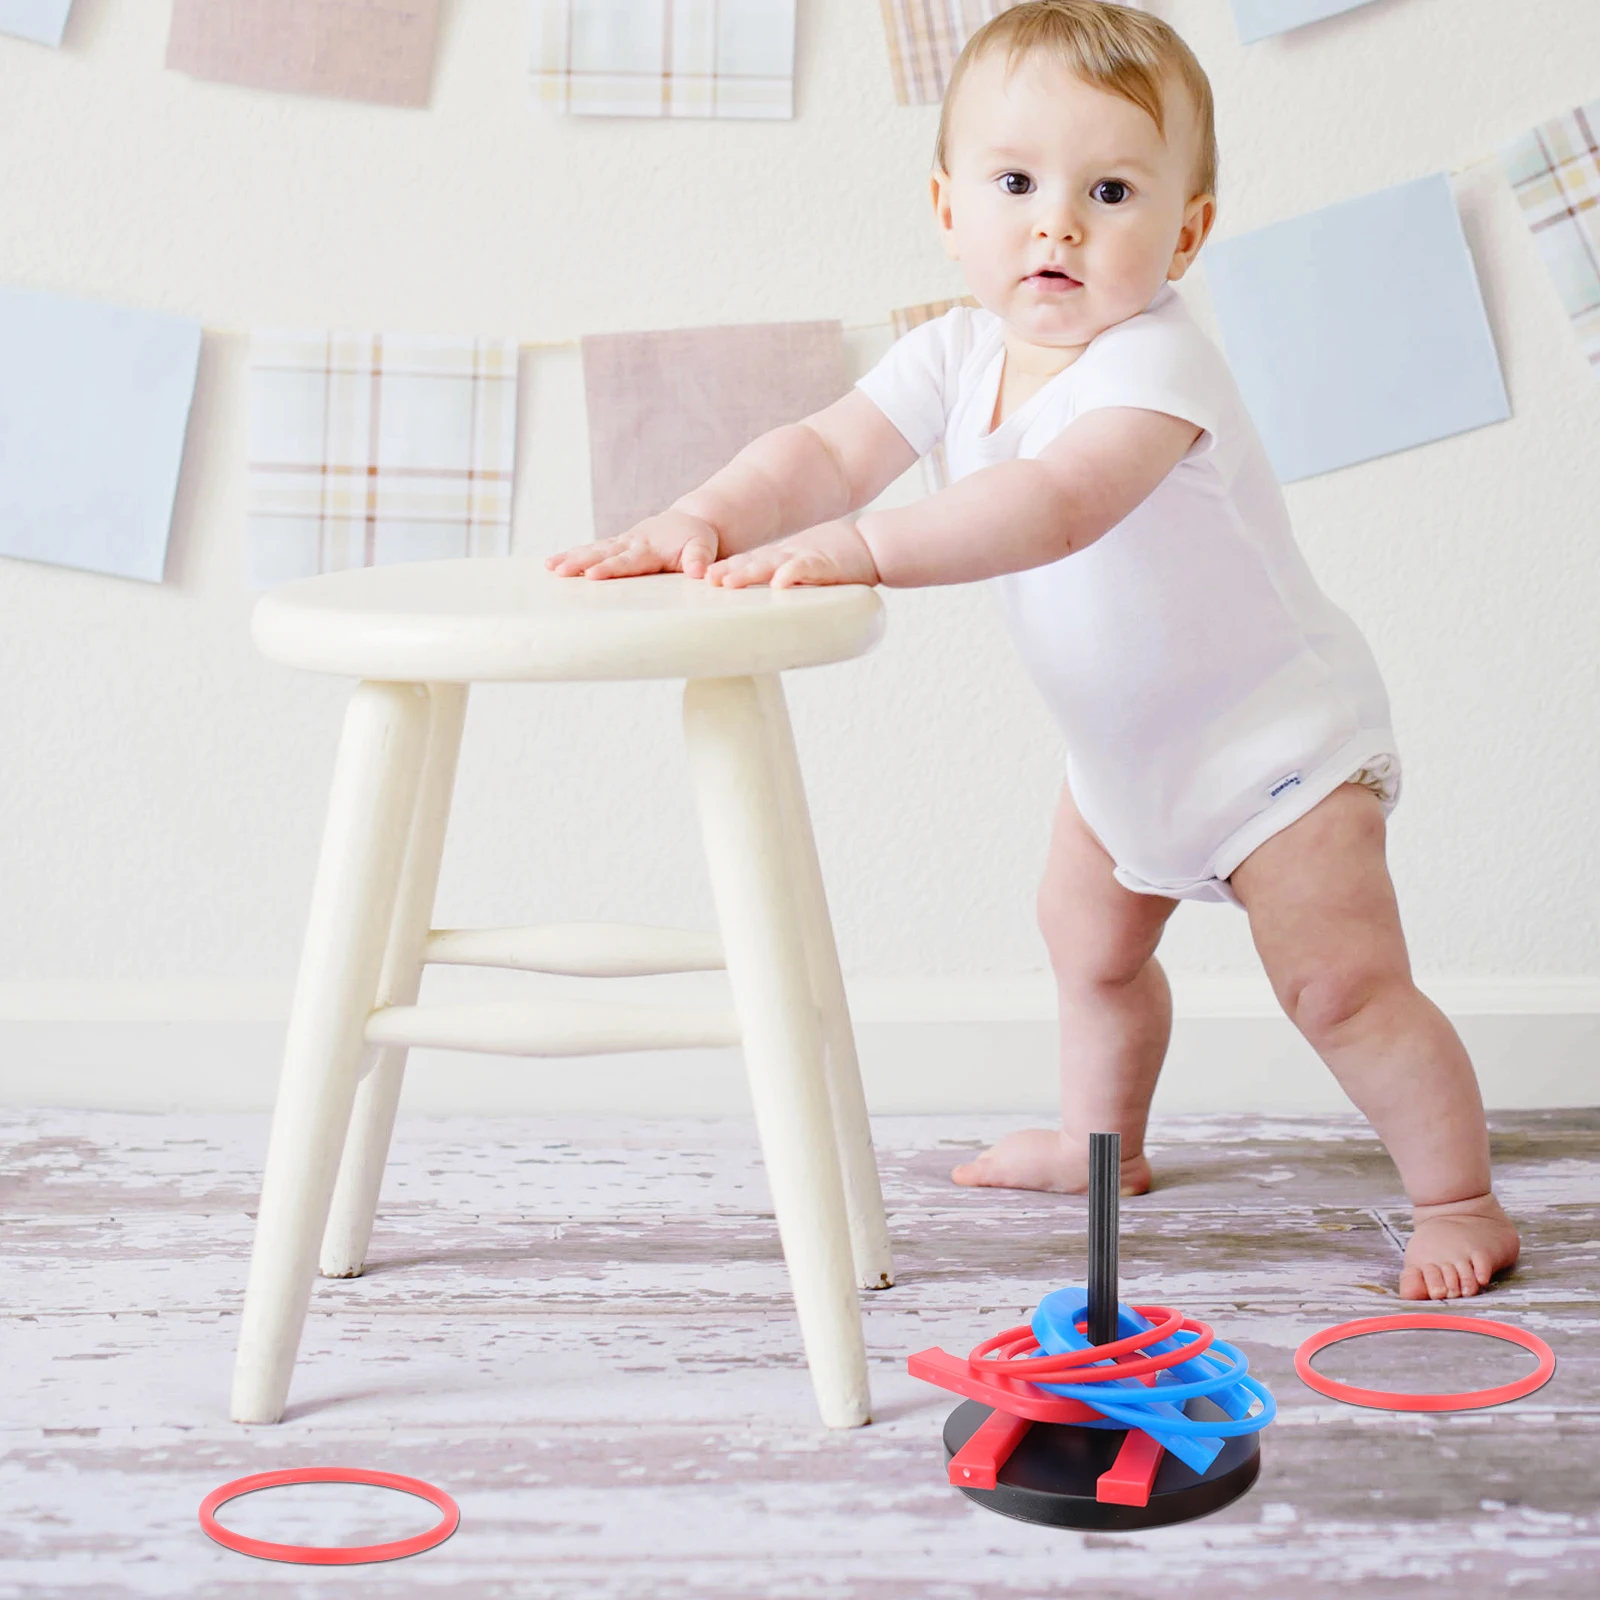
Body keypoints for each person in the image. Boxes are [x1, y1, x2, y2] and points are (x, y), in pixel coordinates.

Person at [546, 0, 1519, 1301]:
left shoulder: (1157, 368)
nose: (1057, 222)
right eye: (1016, 183)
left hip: (1281, 753)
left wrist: (869, 549)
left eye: (1109, 189)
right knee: (1091, 950)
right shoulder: (948, 354)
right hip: (1124, 760)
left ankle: (1459, 1196)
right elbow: (826, 453)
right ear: (949, 209)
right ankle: (1098, 1146)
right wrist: (703, 516)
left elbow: (1056, 505)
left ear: (1188, 231)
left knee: (1341, 988)